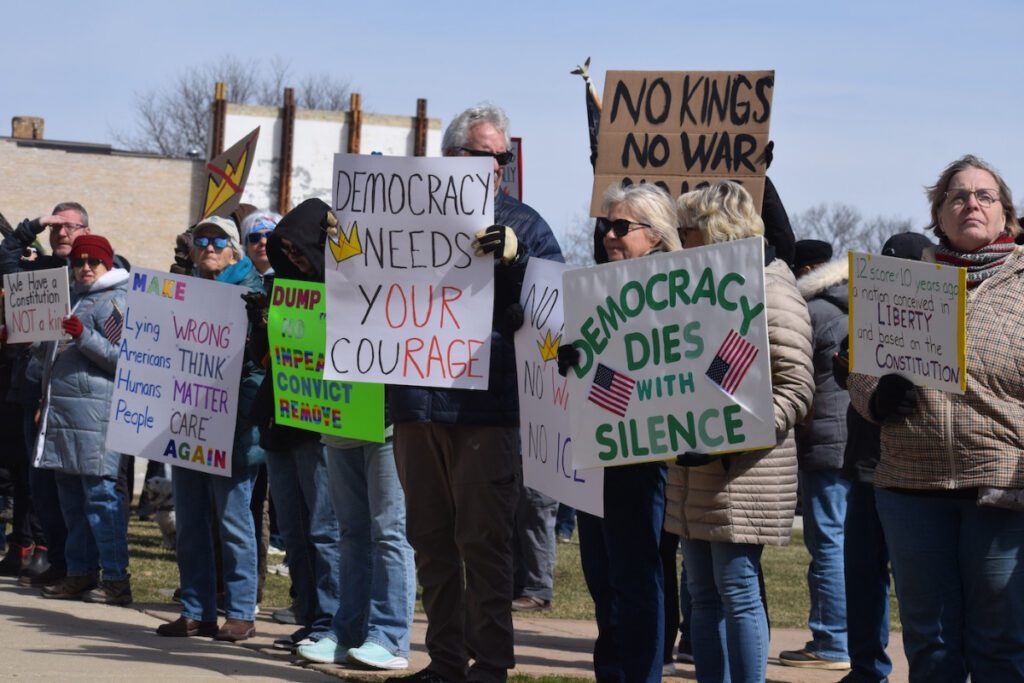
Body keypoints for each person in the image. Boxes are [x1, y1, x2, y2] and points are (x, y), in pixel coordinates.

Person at [387, 104, 564, 683]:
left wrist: (518, 261)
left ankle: (490, 665)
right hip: (416, 400)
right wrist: (342, 246)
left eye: (504, 157)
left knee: (483, 542)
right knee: (430, 541)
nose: (500, 165)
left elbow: (551, 308)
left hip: (486, 406)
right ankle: (443, 662)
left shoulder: (526, 223)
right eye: (490, 155)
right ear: (454, 156)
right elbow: (355, 288)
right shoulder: (399, 213)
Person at [847, 155, 1024, 681]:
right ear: (939, 216)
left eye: (984, 196)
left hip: (1000, 487)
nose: (971, 203)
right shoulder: (899, 284)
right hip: (910, 487)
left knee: (1000, 644)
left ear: (1006, 216)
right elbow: (861, 371)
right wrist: (878, 395)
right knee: (931, 646)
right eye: (958, 196)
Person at [665, 180, 814, 683]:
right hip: (693, 471)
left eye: (684, 230)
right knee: (702, 598)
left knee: (738, 591)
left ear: (712, 232)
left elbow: (796, 388)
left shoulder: (770, 285)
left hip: (742, 472)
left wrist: (731, 435)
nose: (677, 240)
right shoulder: (689, 290)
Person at [557, 182, 683, 682]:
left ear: (654, 236)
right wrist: (570, 360)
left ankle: (640, 673)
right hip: (594, 452)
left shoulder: (679, 290)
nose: (609, 234)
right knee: (601, 575)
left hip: (644, 456)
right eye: (605, 225)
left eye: (621, 227)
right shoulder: (590, 290)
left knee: (635, 575)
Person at [156, 215, 265, 642]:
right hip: (187, 424)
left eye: (218, 240)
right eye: (200, 240)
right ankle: (197, 611)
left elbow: (259, 371)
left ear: (235, 249)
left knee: (233, 521)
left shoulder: (253, 292)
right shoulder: (186, 289)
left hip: (233, 429)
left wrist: (242, 415)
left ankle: (239, 612)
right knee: (192, 523)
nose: (208, 246)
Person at [244, 198, 341, 653]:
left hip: (318, 426)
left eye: (301, 249)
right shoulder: (280, 288)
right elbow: (267, 360)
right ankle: (310, 614)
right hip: (279, 423)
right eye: (287, 250)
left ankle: (332, 617)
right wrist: (259, 324)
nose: (294, 258)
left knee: (324, 528)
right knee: (297, 532)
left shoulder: (342, 292)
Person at [835, 231, 932, 683]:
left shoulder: (940, 323)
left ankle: (930, 668)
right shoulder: (864, 322)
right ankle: (866, 668)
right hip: (864, 466)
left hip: (915, 473)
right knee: (862, 577)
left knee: (920, 588)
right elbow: (852, 380)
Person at [30, 235, 131, 604]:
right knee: (72, 502)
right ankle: (80, 572)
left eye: (94, 261)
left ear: (108, 264)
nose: (85, 267)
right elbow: (57, 357)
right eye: (79, 261)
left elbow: (125, 360)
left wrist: (83, 335)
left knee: (102, 500)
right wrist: (32, 341)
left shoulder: (116, 300)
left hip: (97, 418)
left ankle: (117, 579)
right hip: (65, 416)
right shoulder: (74, 298)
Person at [779, 239, 852, 670]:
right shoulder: (861, 305)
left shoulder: (813, 313)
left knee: (827, 543)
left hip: (824, 444)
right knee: (852, 545)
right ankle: (850, 639)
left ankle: (830, 641)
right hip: (861, 441)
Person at [240, 211, 280, 279]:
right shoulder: (234, 280)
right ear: (246, 246)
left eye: (270, 235)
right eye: (255, 237)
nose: (263, 242)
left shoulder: (296, 277)